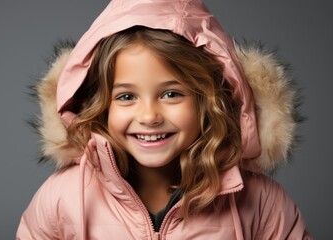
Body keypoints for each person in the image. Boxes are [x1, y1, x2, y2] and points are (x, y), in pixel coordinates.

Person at [16, 0, 312, 239]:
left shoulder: (262, 203)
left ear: (209, 101)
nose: (149, 117)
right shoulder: (62, 198)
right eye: (126, 97)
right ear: (101, 106)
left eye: (171, 94)